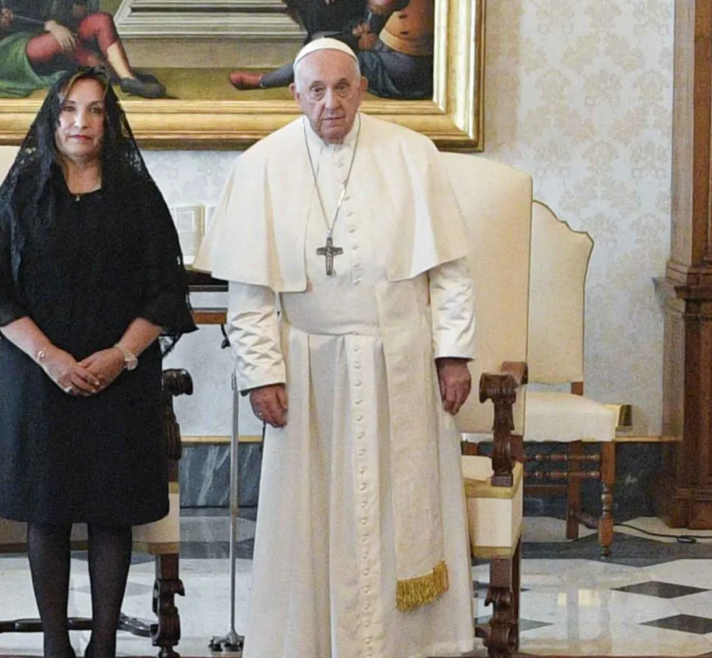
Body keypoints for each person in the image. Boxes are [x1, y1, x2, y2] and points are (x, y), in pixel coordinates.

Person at [195, 38, 476, 657]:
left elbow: (450, 272)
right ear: (295, 95)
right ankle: (311, 643)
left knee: (403, 509)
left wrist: (453, 354)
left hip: (399, 363)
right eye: (316, 90)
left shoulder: (413, 155)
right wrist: (262, 371)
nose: (331, 103)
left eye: (342, 88)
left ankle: (407, 644)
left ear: (362, 89)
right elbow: (251, 292)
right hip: (309, 371)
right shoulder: (262, 165)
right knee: (312, 518)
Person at [0, 66, 196, 658]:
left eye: (94, 110)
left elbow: (166, 293)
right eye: (69, 109)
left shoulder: (138, 196)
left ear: (109, 119)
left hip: (121, 375)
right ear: (51, 117)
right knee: (50, 509)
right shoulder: (19, 194)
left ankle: (106, 644)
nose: (80, 122)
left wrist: (120, 356)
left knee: (111, 510)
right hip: (39, 375)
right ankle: (57, 646)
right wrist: (51, 358)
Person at [227, 0, 433, 100]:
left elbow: (368, 35)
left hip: (403, 70)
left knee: (323, 51)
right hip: (393, 52)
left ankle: (264, 81)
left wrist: (348, 38)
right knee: (324, 40)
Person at [0, 0, 167, 98]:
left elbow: (70, 12)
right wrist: (51, 25)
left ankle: (128, 79)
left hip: (54, 34)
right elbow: (0, 19)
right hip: (10, 49)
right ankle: (112, 72)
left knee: (102, 20)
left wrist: (75, 8)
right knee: (72, 46)